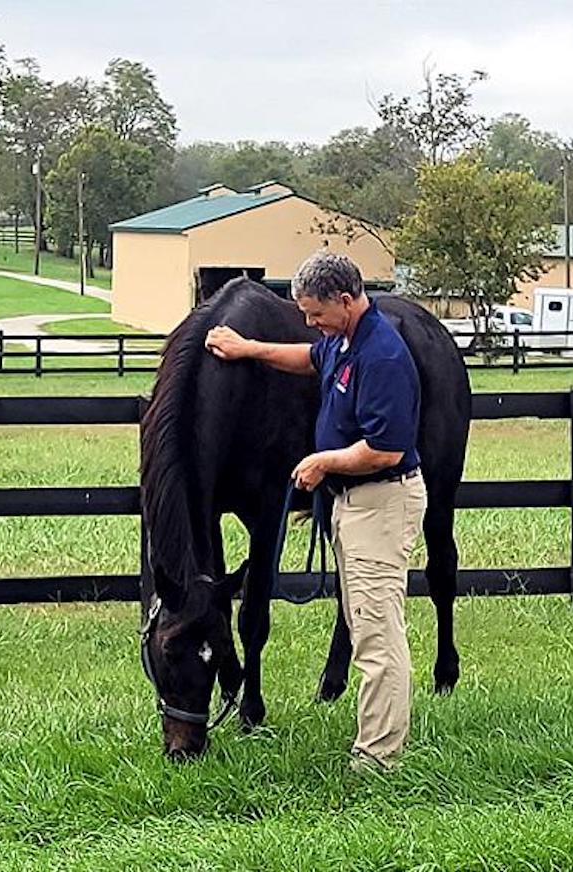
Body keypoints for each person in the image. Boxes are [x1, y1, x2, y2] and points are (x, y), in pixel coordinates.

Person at [204, 251, 426, 770]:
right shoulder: (344, 340)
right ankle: (377, 744)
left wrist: (323, 461)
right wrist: (249, 349)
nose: (309, 323)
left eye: (315, 313)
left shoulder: (383, 357)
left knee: (376, 633)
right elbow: (308, 357)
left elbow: (386, 450)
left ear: (345, 300)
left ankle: (378, 759)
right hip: (352, 504)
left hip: (381, 501)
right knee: (364, 620)